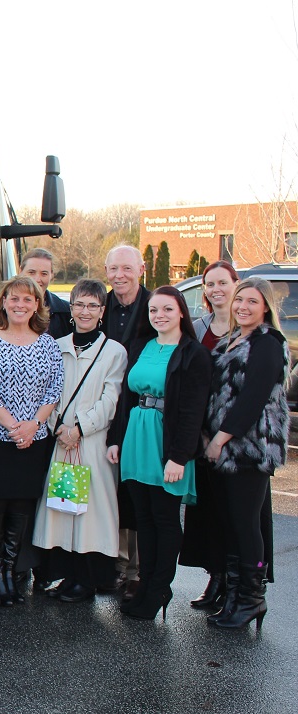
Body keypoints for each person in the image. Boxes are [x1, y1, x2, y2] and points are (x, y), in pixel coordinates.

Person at [107, 285, 211, 622]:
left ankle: (159, 590)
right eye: (154, 310)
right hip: (137, 438)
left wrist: (179, 457)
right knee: (144, 519)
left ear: (182, 311)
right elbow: (125, 398)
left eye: (167, 309)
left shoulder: (192, 353)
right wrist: (116, 439)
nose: (160, 316)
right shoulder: (143, 346)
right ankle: (146, 584)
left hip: (166, 445)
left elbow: (193, 411)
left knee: (165, 520)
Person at [30, 279, 128, 602]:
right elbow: (48, 393)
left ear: (102, 311)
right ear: (70, 309)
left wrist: (79, 429)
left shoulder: (114, 352)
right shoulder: (56, 347)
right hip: (61, 440)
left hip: (91, 443)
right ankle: (68, 575)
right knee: (63, 508)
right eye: (79, 304)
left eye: (92, 306)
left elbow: (110, 400)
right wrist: (59, 426)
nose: (85, 311)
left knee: (90, 514)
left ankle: (87, 580)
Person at [0, 275, 64, 605]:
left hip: (33, 439)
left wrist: (33, 424)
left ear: (37, 305)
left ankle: (11, 571)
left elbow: (54, 389)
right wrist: (13, 426)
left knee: (22, 505)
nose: (20, 305)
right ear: (3, 303)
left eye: (28, 299)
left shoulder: (48, 344)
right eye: (14, 298)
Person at [202, 277, 288, 630]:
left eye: (252, 302)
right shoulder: (230, 339)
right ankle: (235, 594)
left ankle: (252, 598)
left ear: (265, 306)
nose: (243, 307)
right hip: (224, 448)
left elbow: (252, 399)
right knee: (230, 523)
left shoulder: (269, 343)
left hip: (250, 449)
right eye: (240, 301)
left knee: (246, 524)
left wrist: (219, 439)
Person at [181, 260, 242, 608]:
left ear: (236, 284)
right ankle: (215, 578)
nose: (216, 289)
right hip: (202, 434)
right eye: (209, 283)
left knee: (237, 515)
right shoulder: (199, 326)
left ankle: (240, 584)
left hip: (239, 437)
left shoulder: (249, 327)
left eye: (223, 282)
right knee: (208, 512)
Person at [102, 244, 152, 600]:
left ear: (141, 269)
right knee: (108, 489)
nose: (120, 275)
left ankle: (135, 570)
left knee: (135, 492)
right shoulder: (98, 305)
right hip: (104, 406)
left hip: (139, 410)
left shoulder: (155, 308)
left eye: (126, 268)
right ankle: (113, 566)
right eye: (113, 269)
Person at [0, 248, 72, 340]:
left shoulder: (65, 311)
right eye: (31, 272)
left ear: (52, 275)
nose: (37, 279)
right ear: (20, 271)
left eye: (44, 274)